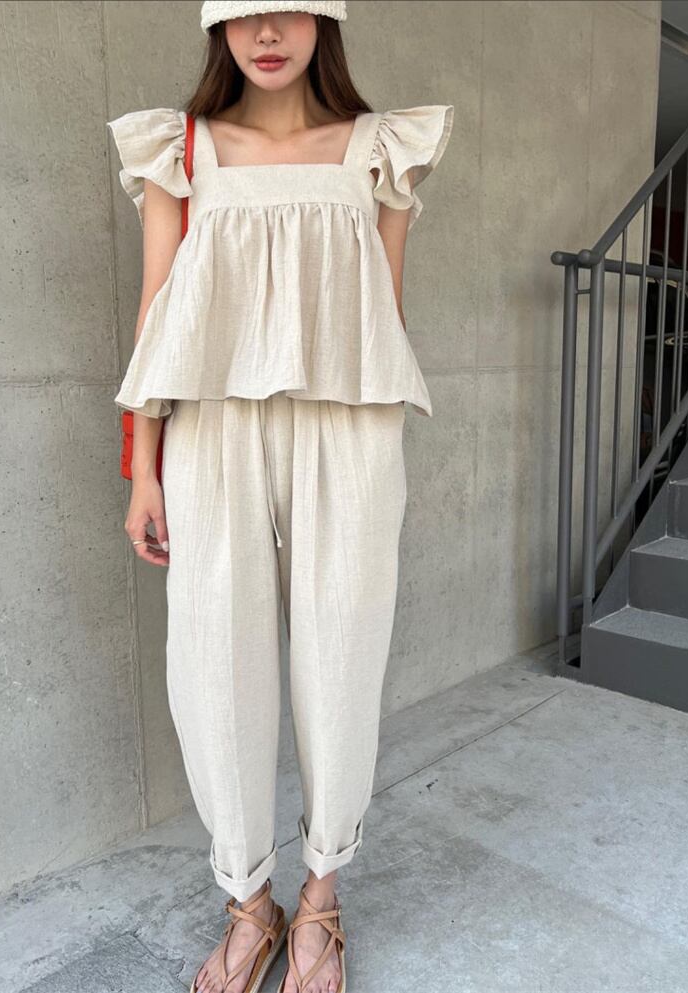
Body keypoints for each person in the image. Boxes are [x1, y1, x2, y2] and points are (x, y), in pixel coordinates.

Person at [106, 2, 454, 990]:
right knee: (212, 661)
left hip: (347, 425)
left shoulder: (378, 149)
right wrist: (143, 468)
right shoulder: (181, 149)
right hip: (211, 428)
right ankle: (248, 901)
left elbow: (386, 307)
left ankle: (320, 898)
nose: (265, 34)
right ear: (217, 26)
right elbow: (158, 314)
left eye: (286, 12)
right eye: (243, 15)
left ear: (323, 21)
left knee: (343, 655)